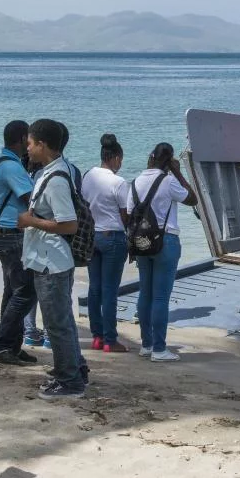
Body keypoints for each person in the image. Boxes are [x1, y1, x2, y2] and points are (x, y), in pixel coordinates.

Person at [17, 119, 88, 397]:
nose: (28, 148)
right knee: (63, 320)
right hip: (51, 259)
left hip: (52, 262)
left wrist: (31, 221)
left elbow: (69, 224)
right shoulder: (54, 171)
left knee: (56, 324)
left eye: (30, 143)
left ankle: (69, 381)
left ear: (42, 144)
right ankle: (75, 368)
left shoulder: (56, 179)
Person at [128, 142, 198, 361]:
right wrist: (178, 172)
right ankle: (159, 349)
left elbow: (130, 214)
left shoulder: (135, 182)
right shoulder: (168, 181)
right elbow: (192, 199)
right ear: (168, 161)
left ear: (151, 158)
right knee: (160, 297)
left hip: (141, 242)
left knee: (145, 293)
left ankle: (147, 345)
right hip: (166, 241)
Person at [0, 121, 43, 363]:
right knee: (26, 292)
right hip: (12, 234)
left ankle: (11, 345)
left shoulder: (4, 162)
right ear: (21, 139)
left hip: (6, 233)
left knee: (13, 291)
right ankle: (1, 344)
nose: (29, 145)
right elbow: (33, 199)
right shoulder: (11, 166)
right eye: (28, 140)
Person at [81, 134, 129, 353]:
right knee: (110, 291)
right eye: (121, 160)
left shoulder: (88, 176)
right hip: (113, 237)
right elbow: (125, 215)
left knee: (95, 288)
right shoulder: (119, 182)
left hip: (93, 236)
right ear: (116, 158)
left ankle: (97, 336)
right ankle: (110, 339)